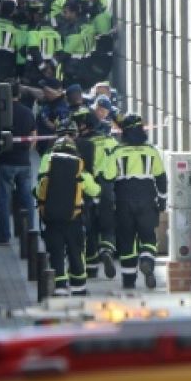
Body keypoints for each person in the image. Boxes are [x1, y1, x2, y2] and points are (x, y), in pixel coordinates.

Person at [37, 136, 100, 296]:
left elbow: (38, 191)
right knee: (76, 253)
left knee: (56, 253)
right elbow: (94, 190)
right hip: (74, 220)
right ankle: (78, 288)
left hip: (51, 221)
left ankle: (59, 287)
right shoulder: (80, 170)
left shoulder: (49, 168)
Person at [111, 114, 167, 289]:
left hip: (123, 200)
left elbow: (106, 177)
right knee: (148, 236)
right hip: (147, 199)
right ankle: (147, 262)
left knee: (127, 241)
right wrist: (162, 201)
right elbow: (161, 178)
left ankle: (128, 282)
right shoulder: (151, 151)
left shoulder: (117, 152)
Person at [0, 85, 38, 245]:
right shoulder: (28, 112)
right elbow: (33, 137)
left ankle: (4, 236)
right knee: (27, 199)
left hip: (5, 162)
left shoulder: (0, 112)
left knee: (3, 200)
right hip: (24, 163)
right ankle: (31, 232)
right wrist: (26, 152)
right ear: (19, 94)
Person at [78, 110, 119, 278]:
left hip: (89, 188)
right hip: (107, 189)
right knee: (107, 225)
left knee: (90, 229)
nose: (78, 127)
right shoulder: (111, 141)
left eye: (80, 124)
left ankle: (92, 268)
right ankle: (107, 250)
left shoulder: (83, 143)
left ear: (87, 125)